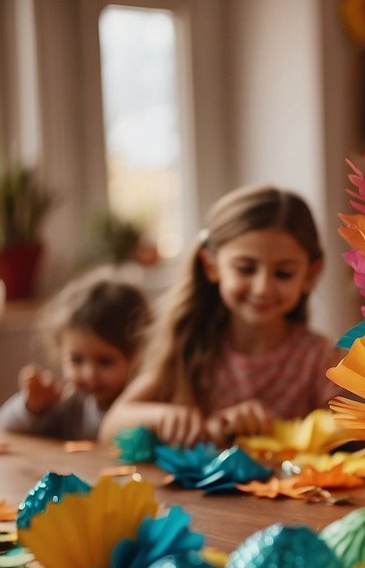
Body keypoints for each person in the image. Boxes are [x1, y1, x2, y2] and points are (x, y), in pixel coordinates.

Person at [100, 185, 341, 446]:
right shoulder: (191, 346)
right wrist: (165, 416)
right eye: (245, 269)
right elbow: (110, 428)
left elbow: (350, 435)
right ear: (211, 266)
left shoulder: (318, 357)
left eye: (283, 274)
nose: (262, 288)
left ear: (310, 274)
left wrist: (277, 429)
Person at [0, 272, 149, 440]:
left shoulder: (145, 405)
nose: (89, 374)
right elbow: (6, 424)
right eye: (76, 360)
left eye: (105, 362)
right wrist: (33, 407)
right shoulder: (70, 402)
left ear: (137, 354)